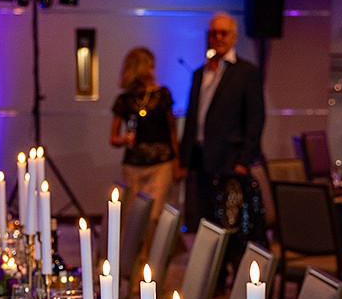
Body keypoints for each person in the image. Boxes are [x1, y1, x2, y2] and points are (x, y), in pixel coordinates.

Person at [179, 13, 265, 229]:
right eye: (213, 33)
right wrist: (184, 159)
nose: (218, 37)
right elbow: (192, 118)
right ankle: (212, 263)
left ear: (234, 37)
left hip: (230, 160)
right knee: (204, 218)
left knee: (229, 221)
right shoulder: (200, 73)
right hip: (201, 159)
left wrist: (243, 161)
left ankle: (230, 262)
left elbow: (255, 119)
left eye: (223, 33)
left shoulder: (247, 72)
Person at [110, 47, 180, 241]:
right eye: (149, 65)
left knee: (154, 215)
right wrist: (124, 139)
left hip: (161, 162)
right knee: (135, 216)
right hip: (134, 165)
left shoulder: (163, 94)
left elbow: (172, 131)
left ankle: (152, 262)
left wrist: (178, 163)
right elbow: (113, 138)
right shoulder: (124, 100)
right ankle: (137, 262)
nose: (152, 70)